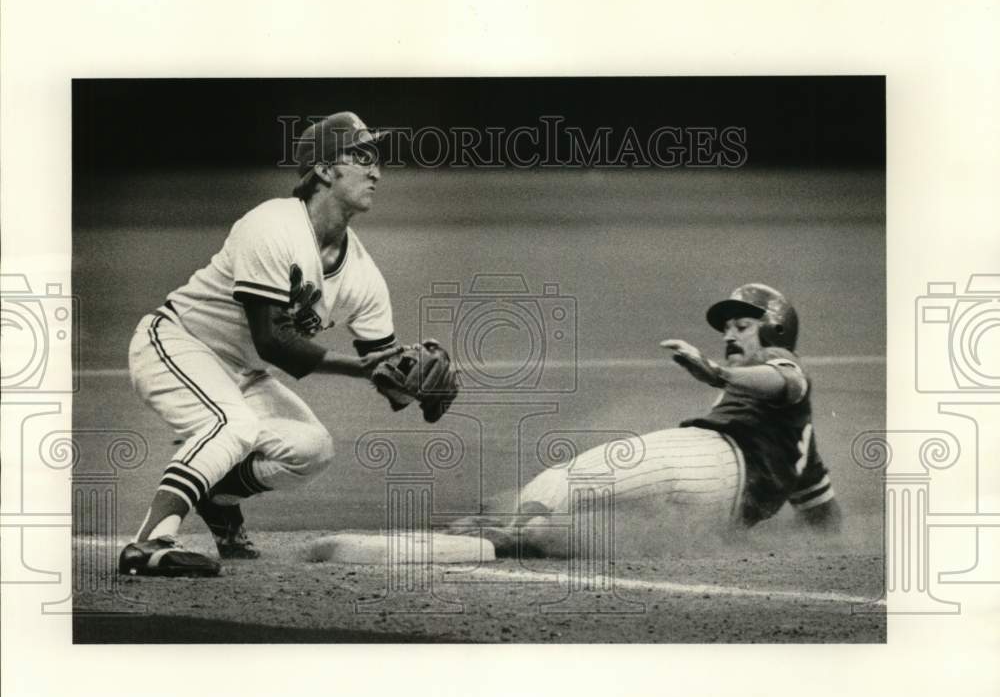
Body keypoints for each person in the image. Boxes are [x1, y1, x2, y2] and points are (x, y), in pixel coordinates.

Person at [119, 112, 406, 577]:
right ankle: (149, 543)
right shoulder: (272, 224)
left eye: (377, 160)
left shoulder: (364, 275)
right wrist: (366, 369)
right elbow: (273, 341)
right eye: (362, 156)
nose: (376, 171)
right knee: (231, 425)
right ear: (326, 169)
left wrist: (417, 381)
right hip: (177, 343)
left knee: (312, 449)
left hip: (242, 373)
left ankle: (215, 492)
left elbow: (388, 370)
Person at [450, 283, 842, 557]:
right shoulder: (799, 443)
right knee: (558, 532)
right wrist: (812, 548)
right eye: (726, 329)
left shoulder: (781, 368)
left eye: (742, 326)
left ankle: (507, 526)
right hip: (710, 518)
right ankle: (518, 534)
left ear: (774, 332)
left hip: (712, 463)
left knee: (561, 482)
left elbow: (784, 379)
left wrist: (715, 372)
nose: (729, 336)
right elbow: (823, 516)